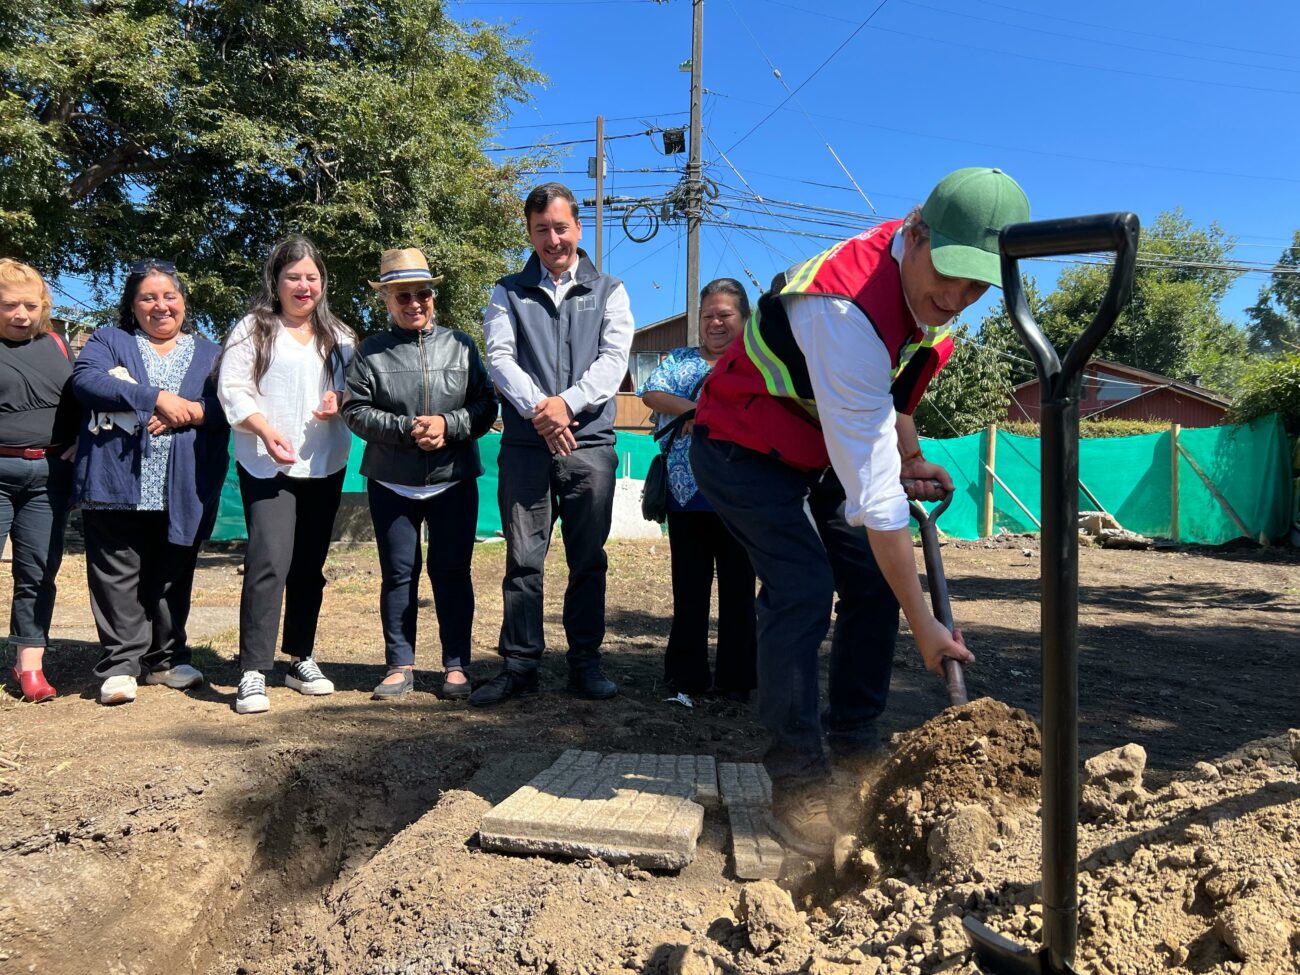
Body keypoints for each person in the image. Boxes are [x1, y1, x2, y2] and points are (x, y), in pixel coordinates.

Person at [690, 167, 1029, 854]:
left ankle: (853, 746)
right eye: (950, 274)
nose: (957, 298)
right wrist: (927, 623)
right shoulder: (843, 309)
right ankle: (797, 782)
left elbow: (891, 404)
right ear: (915, 231)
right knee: (803, 588)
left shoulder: (926, 309)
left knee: (872, 581)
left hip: (815, 453)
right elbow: (875, 502)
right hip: (738, 444)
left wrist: (909, 455)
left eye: (977, 285)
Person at [474, 182, 634, 706]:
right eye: (541, 229)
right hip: (525, 446)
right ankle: (520, 666)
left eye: (561, 227)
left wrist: (566, 404)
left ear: (578, 229)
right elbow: (499, 358)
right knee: (523, 561)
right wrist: (543, 413)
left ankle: (585, 663)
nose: (552, 239)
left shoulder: (610, 290)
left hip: (590, 445)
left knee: (588, 560)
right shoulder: (507, 291)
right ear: (529, 231)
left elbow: (613, 363)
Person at [71, 260, 230, 706]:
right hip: (117, 478)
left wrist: (193, 411)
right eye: (148, 297)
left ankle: (165, 660)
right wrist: (155, 398)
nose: (161, 305)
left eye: (169, 296)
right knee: (117, 573)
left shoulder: (211, 354)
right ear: (133, 305)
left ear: (183, 302)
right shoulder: (111, 341)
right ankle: (121, 665)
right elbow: (86, 381)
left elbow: (233, 406)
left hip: (185, 481)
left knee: (171, 573)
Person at [342, 248, 497, 700]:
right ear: (387, 300)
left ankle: (456, 666)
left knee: (453, 573)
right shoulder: (370, 351)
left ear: (433, 296)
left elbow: (486, 405)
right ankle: (399, 664)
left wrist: (450, 426)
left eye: (422, 293)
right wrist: (409, 430)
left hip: (454, 479)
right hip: (392, 482)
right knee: (398, 575)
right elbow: (355, 411)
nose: (414, 303)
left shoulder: (462, 346)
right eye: (402, 295)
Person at [218, 237, 355, 715]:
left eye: (312, 277)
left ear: (323, 283)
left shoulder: (339, 335)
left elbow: (353, 390)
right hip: (266, 462)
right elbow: (232, 388)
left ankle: (300, 657)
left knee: (308, 566)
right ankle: (253, 670)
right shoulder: (253, 329)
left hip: (325, 461)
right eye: (293, 276)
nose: (303, 286)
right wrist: (263, 429)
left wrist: (340, 399)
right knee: (269, 561)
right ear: (275, 282)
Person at [640, 278, 756, 708]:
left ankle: (738, 679)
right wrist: (695, 409)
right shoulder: (682, 360)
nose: (715, 323)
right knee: (689, 591)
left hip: (741, 496)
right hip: (687, 497)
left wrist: (710, 416)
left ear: (744, 319)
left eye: (725, 314)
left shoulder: (757, 363)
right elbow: (650, 391)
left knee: (739, 591)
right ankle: (686, 676)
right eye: (708, 315)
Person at [0, 260, 79, 702]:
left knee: (37, 572)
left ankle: (29, 664)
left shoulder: (58, 344)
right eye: (10, 305)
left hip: (49, 476)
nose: (21, 315)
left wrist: (84, 442)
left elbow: (84, 402)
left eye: (31, 305)